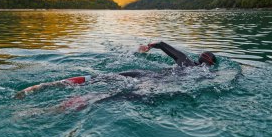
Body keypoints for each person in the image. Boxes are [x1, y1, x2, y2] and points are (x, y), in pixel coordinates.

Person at [15, 42, 217, 108]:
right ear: (210, 64)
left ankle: (48, 85)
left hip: (142, 73)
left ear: (199, 57)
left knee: (101, 77)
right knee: (113, 95)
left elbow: (162, 44)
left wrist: (148, 46)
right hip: (156, 83)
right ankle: (64, 107)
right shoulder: (205, 75)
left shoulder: (185, 61)